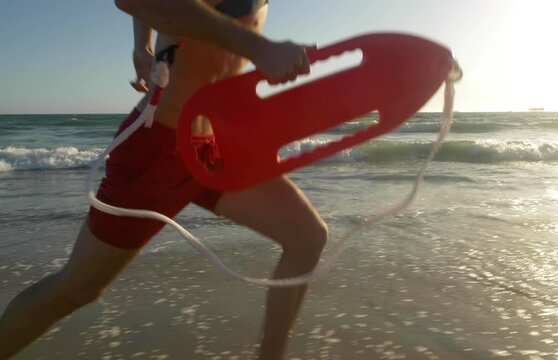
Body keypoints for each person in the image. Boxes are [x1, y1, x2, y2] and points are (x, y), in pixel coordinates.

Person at [0, 1, 327, 359]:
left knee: (306, 236)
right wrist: (259, 48)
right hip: (159, 146)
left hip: (213, 144)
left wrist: (142, 43)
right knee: (78, 288)